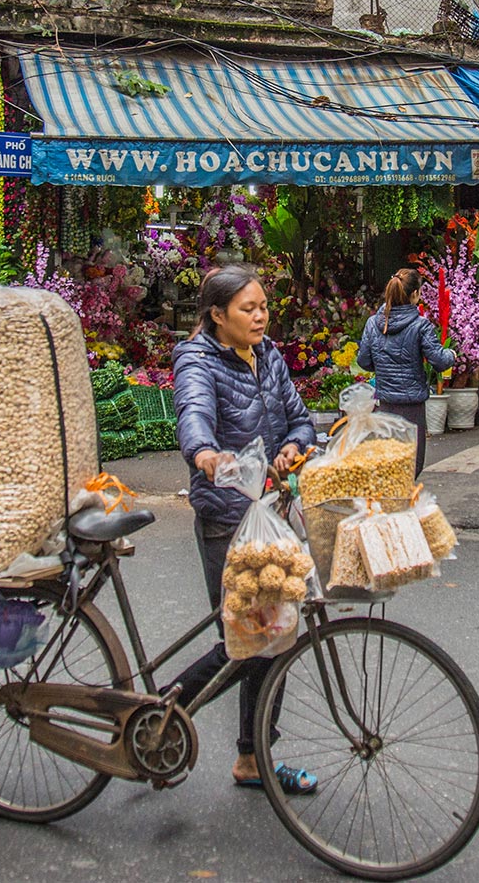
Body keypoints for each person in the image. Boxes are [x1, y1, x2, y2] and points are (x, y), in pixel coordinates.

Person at [170, 265, 319, 796]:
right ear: (217, 315)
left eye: (262, 307)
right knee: (251, 635)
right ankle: (168, 706)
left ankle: (254, 758)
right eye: (248, 309)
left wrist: (293, 445)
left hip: (271, 515)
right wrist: (205, 453)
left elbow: (301, 420)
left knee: (271, 637)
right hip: (225, 518)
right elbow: (192, 414)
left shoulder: (270, 356)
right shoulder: (196, 359)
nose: (260, 316)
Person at [357, 268, 458, 474]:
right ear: (414, 294)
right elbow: (439, 361)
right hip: (412, 407)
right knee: (412, 466)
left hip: (385, 404)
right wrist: (452, 355)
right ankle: (402, 504)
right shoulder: (420, 326)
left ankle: (392, 504)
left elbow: (364, 361)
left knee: (390, 465)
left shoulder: (373, 324)